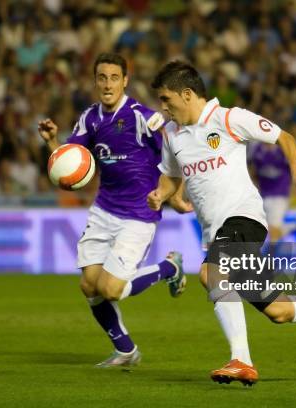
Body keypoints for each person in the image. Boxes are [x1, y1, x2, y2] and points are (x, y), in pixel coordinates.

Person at [147, 61, 296, 385]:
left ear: (187, 94)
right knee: (278, 311)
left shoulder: (228, 118)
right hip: (216, 232)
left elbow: (284, 137)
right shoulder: (172, 134)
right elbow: (171, 176)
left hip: (244, 218)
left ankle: (241, 359)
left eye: (166, 99)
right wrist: (162, 195)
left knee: (212, 274)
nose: (163, 107)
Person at [38, 53, 191, 367]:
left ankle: (169, 268)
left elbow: (179, 151)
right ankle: (126, 350)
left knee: (111, 289)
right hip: (104, 210)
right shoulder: (90, 118)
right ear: (95, 81)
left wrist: (174, 194)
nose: (107, 84)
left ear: (125, 80)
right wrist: (53, 142)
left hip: (138, 213)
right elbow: (71, 164)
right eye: (101, 78)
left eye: (113, 78)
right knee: (89, 286)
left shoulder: (143, 116)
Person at [248, 143, 296, 242]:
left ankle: (270, 256)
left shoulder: (283, 150)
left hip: (279, 195)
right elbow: (253, 171)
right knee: (270, 230)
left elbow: (293, 170)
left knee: (274, 232)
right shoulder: (257, 150)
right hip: (263, 195)